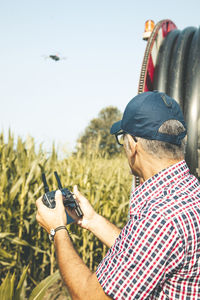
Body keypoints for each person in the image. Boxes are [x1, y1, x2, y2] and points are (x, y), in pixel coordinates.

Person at [36, 91, 200, 299]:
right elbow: (145, 254)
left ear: (132, 145)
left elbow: (90, 296)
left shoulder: (160, 216)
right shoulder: (189, 190)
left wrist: (57, 229)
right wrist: (92, 221)